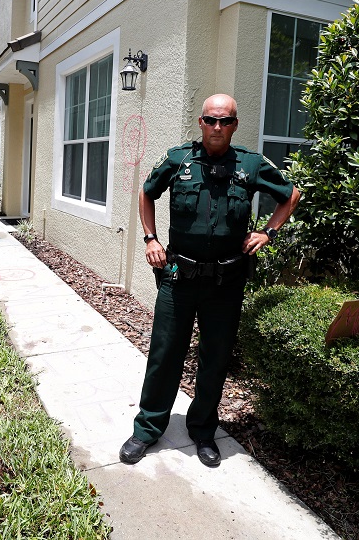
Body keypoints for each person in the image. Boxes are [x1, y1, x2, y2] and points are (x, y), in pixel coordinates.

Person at [119, 94, 300, 467]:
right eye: (211, 120)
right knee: (164, 355)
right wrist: (150, 239)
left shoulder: (250, 164)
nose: (218, 127)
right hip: (178, 279)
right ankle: (147, 429)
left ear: (235, 125)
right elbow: (146, 193)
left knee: (214, 359)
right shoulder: (178, 159)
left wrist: (268, 231)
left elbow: (291, 194)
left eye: (226, 121)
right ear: (200, 123)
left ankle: (202, 430)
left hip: (226, 281)